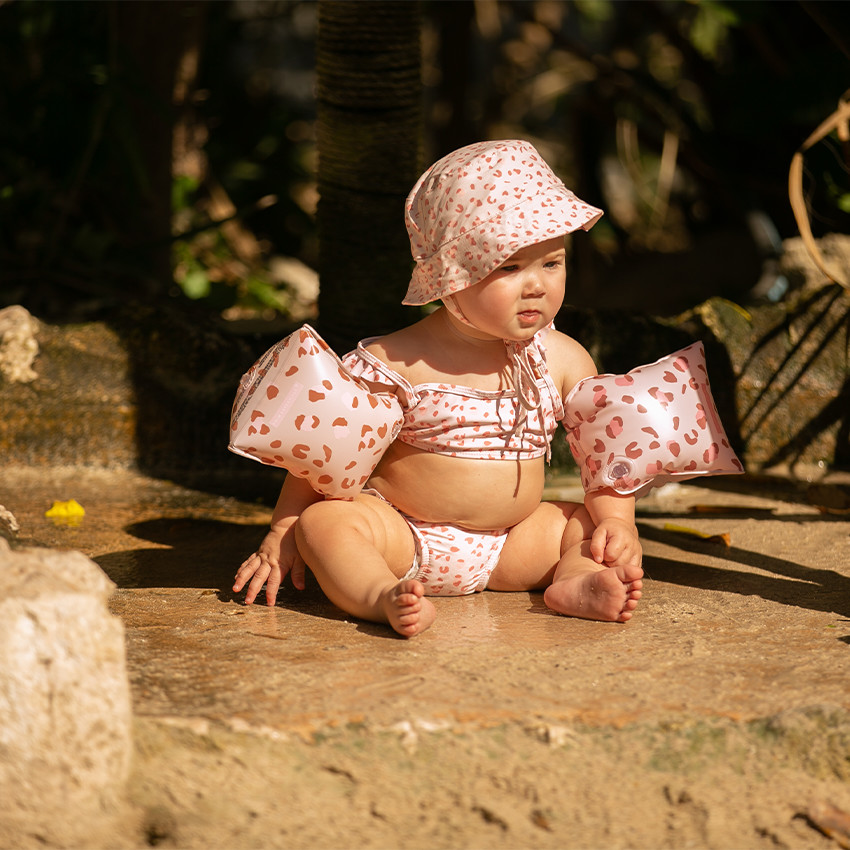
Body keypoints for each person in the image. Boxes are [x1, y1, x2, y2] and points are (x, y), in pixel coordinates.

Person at [233, 139, 643, 637]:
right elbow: (323, 456)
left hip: (511, 544)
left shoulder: (562, 359)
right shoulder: (398, 360)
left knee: (578, 523)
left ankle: (577, 580)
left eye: (551, 264)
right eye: (509, 267)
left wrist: (619, 522)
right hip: (401, 535)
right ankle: (380, 595)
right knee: (326, 524)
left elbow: (604, 455)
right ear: (449, 278)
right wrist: (282, 528)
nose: (536, 285)